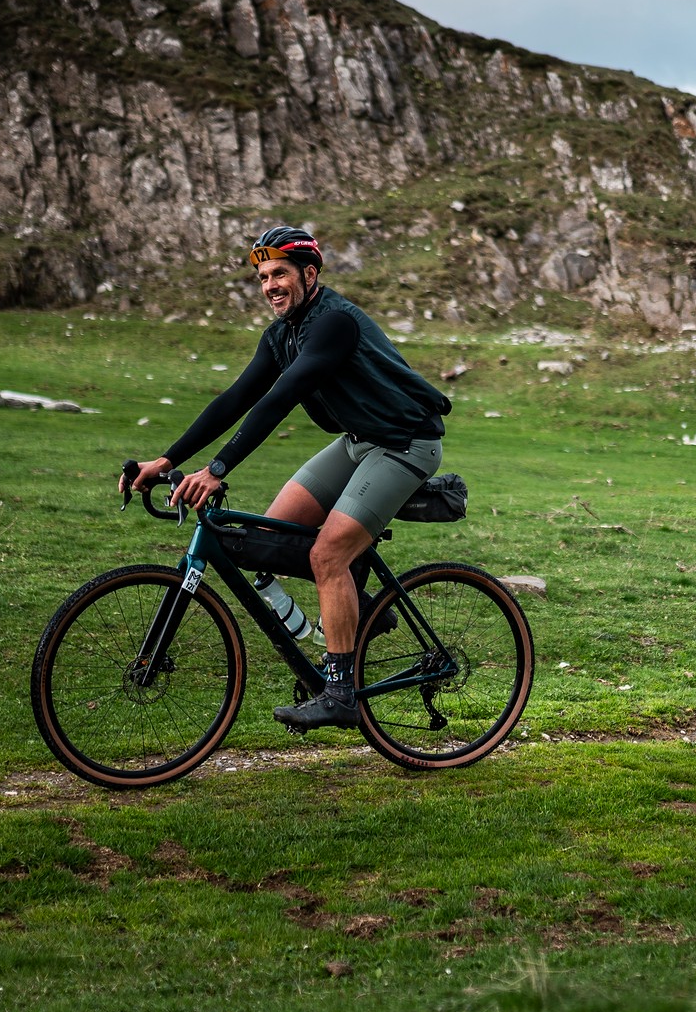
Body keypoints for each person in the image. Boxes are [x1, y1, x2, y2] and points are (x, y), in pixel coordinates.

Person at [123, 226, 451, 730]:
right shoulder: (282, 335)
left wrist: (217, 469)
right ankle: (362, 608)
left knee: (327, 555)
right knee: (262, 542)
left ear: (309, 275)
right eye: (263, 277)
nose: (270, 285)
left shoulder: (334, 323)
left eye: (280, 274)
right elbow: (235, 399)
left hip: (406, 442)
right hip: (358, 441)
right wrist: (165, 461)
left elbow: (280, 398)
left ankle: (340, 694)